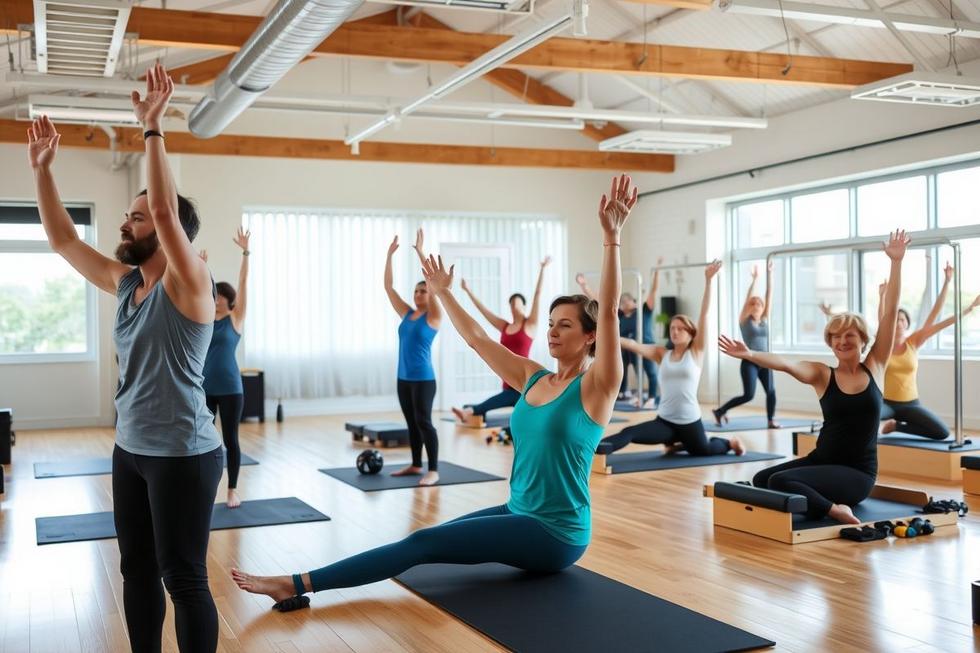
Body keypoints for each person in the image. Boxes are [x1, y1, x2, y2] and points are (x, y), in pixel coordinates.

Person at [230, 175, 635, 611]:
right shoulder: (533, 377)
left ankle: (296, 583)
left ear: (591, 336)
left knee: (422, 544)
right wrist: (444, 293)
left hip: (556, 532)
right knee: (428, 539)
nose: (552, 332)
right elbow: (478, 338)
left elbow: (610, 314)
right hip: (518, 510)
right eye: (551, 324)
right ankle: (301, 581)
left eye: (565, 325)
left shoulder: (596, 387)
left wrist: (611, 239)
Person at [29, 64, 223, 652]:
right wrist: (42, 171)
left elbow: (165, 211)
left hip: (183, 455)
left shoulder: (189, 284)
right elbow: (64, 240)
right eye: (129, 216)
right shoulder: (126, 284)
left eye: (135, 217)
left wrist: (153, 126)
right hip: (131, 449)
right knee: (136, 571)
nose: (125, 223)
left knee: (183, 578)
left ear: (168, 234)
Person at [720, 231, 910, 524]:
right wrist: (750, 354)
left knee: (780, 482)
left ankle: (835, 509)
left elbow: (891, 311)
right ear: (830, 342)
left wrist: (896, 263)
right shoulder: (823, 374)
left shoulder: (875, 366)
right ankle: (818, 500)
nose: (842, 341)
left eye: (849, 335)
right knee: (761, 478)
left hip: (857, 474)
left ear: (863, 340)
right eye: (836, 337)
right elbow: (786, 364)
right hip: (821, 461)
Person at [596, 261, 745, 457]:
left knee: (704, 450)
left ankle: (730, 442)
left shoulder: (696, 352)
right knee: (629, 432)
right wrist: (603, 335)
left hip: (689, 421)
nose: (675, 332)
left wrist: (709, 281)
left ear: (691, 333)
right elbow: (633, 344)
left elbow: (704, 314)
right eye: (672, 328)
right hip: (665, 422)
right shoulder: (662, 354)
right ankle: (594, 450)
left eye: (680, 329)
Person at [874, 264, 980, 439]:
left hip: (910, 404)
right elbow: (882, 319)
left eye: (902, 320)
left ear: (907, 323)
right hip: (885, 404)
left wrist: (964, 304)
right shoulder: (884, 344)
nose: (898, 323)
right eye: (895, 320)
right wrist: (882, 297)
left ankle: (896, 426)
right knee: (865, 415)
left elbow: (938, 318)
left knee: (942, 432)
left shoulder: (913, 342)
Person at [451, 256, 551, 423]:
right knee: (509, 401)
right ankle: (472, 410)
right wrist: (468, 291)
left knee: (513, 404)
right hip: (507, 378)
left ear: (524, 306)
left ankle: (471, 410)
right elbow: (484, 311)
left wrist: (542, 269)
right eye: (511, 304)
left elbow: (537, 295)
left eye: (517, 304)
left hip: (523, 379)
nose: (514, 307)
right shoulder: (505, 326)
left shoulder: (530, 325)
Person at [384, 228, 441, 486]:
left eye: (423, 291)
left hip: (423, 379)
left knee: (424, 422)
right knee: (411, 422)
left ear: (430, 295)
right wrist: (389, 256)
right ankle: (416, 464)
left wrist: (420, 252)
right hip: (403, 378)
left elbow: (432, 282)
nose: (418, 294)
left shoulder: (434, 316)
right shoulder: (407, 314)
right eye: (416, 291)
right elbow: (388, 287)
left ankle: (433, 470)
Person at [201, 227, 251, 508]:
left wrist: (245, 253)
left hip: (231, 389)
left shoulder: (235, 318)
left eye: (221, 295)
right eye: (214, 294)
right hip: (205, 388)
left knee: (231, 440)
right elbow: (197, 290)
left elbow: (243, 282)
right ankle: (205, 490)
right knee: (205, 442)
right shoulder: (204, 319)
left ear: (228, 299)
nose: (217, 298)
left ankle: (232, 489)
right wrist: (201, 268)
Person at [576, 259, 662, 408]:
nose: (625, 303)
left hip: (645, 345)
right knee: (626, 370)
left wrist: (657, 271)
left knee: (650, 372)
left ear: (634, 301)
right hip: (627, 347)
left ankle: (652, 397)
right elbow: (601, 302)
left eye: (628, 300)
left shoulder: (644, 311)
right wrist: (584, 286)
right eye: (623, 301)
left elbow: (653, 291)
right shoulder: (620, 315)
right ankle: (625, 393)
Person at [713, 262, 779, 428]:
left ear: (763, 307)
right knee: (748, 395)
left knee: (771, 391)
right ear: (748, 307)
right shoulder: (744, 321)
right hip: (749, 361)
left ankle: (771, 420)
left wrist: (769, 274)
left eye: (759, 304)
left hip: (765, 361)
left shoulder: (764, 320)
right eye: (752, 303)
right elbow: (747, 299)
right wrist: (754, 280)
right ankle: (720, 411)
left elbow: (769, 294)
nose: (756, 306)